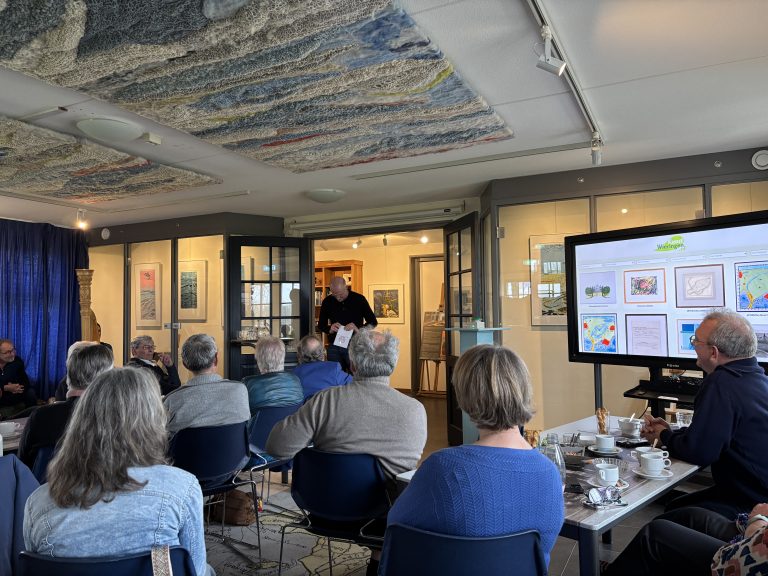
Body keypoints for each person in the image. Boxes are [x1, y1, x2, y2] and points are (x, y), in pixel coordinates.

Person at [266, 328, 426, 576]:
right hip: (381, 519)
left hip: (319, 506)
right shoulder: (414, 410)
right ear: (393, 364)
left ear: (352, 364)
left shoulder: (324, 400)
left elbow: (276, 446)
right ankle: (378, 561)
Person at [386, 344, 564, 567]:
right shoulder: (550, 474)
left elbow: (396, 527)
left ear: (465, 395)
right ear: (523, 390)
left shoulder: (443, 468)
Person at [23, 368, 212, 576]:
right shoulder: (182, 488)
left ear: (82, 420)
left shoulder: (38, 502)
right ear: (154, 419)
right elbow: (196, 570)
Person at [641, 309, 768, 518]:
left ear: (714, 352)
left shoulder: (721, 383)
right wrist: (670, 432)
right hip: (756, 492)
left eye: (696, 341)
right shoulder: (757, 378)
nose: (693, 346)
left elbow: (699, 451)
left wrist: (663, 436)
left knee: (668, 520)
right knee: (677, 505)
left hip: (751, 503)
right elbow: (713, 436)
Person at [17, 343, 113, 469]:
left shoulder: (42, 417)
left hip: (48, 486)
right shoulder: (119, 417)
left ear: (69, 375)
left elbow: (21, 465)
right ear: (106, 379)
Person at [603, 504, 768, 576]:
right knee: (690, 517)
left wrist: (757, 521)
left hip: (745, 561)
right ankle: (628, 566)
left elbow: (752, 555)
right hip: (757, 538)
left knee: (654, 535)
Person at [164, 334, 250, 436]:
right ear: (216, 359)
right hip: (236, 451)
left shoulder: (172, 400)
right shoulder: (240, 390)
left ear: (184, 364)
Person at [317, 277, 377, 372]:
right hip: (334, 346)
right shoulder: (327, 301)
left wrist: (358, 329)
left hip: (354, 345)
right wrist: (330, 329)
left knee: (356, 375)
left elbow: (373, 322)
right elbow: (321, 325)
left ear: (346, 287)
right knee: (335, 376)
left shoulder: (359, 299)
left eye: (340, 294)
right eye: (334, 294)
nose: (338, 297)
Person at [243, 336, 303, 414]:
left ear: (258, 359)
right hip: (291, 426)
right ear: (282, 357)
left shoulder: (248, 385)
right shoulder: (295, 380)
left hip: (262, 426)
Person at [292, 334, 352, 401]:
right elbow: (354, 385)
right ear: (323, 352)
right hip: (330, 410)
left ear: (300, 355)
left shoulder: (295, 374)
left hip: (306, 411)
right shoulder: (333, 369)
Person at [0, 339, 37, 417]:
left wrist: (17, 388)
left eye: (13, 350)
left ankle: (32, 418)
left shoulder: (17, 361)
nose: (12, 354)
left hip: (16, 393)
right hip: (2, 394)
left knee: (31, 393)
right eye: (7, 352)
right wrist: (5, 387)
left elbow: (26, 382)